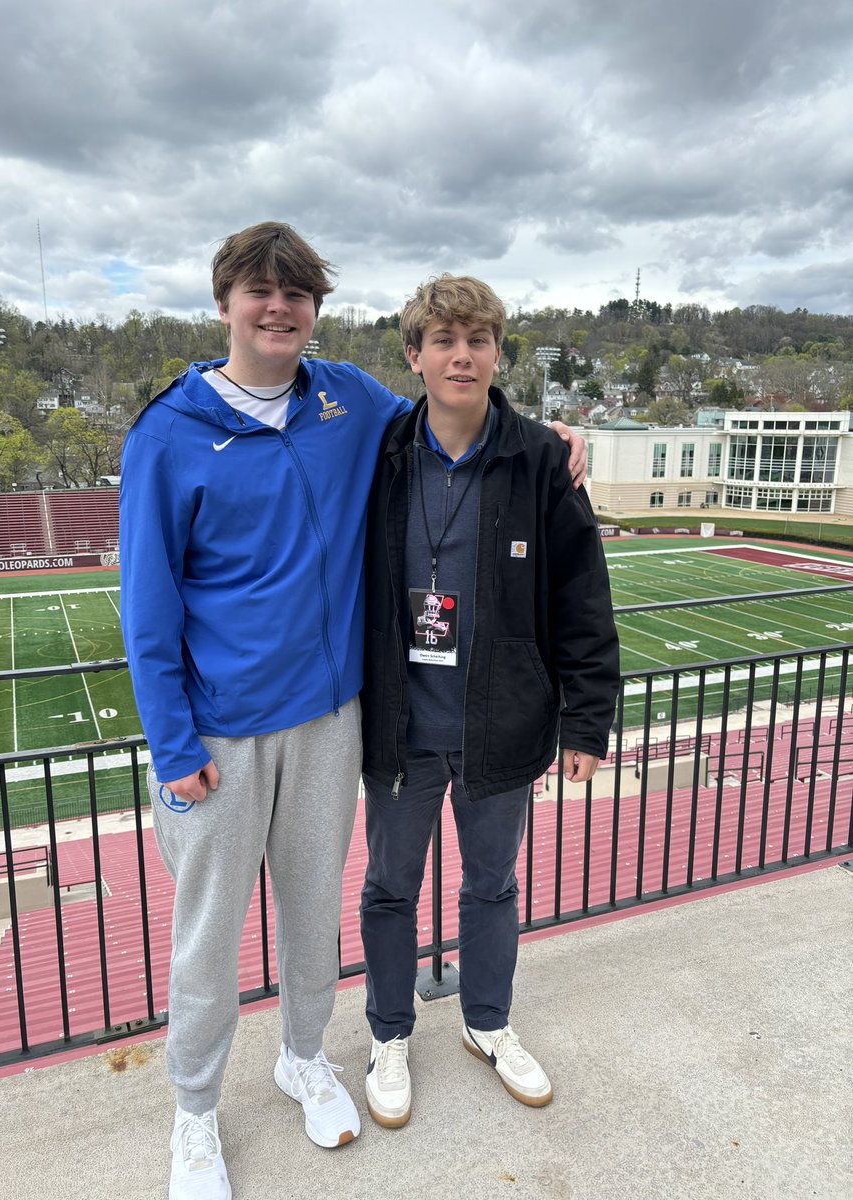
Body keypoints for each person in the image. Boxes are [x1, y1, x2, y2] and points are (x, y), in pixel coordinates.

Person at [119, 224, 587, 1199]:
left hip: (332, 719)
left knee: (310, 921)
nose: (279, 308)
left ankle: (302, 1058)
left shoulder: (346, 400)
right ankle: (194, 1114)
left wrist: (548, 444)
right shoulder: (169, 431)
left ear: (315, 311)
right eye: (260, 291)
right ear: (224, 305)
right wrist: (172, 744)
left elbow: (453, 414)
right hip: (218, 733)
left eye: (297, 294)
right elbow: (148, 605)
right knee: (207, 937)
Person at [359, 275, 619, 1129]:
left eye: (476, 339)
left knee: (493, 888)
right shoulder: (382, 452)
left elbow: (584, 596)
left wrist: (587, 719)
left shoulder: (542, 458)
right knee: (391, 888)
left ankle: (487, 1022)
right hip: (401, 727)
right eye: (442, 339)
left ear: (496, 353)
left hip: (500, 728)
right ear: (414, 355)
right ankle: (389, 1034)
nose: (460, 354)